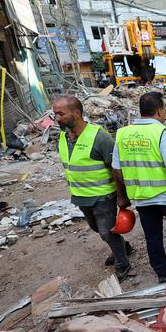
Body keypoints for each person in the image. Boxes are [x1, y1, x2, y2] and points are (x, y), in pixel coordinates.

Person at [113, 92, 166, 283]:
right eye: (164, 108)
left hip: (141, 197)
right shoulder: (162, 133)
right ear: (159, 110)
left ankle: (163, 272)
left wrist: (122, 195)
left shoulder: (122, 134)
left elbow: (116, 170)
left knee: (153, 237)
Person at [53, 96, 134, 281]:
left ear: (77, 113)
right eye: (55, 113)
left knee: (107, 232)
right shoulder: (63, 137)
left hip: (103, 196)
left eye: (61, 113)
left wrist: (122, 197)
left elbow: (116, 168)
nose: (57, 118)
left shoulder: (99, 137)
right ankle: (123, 247)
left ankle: (123, 264)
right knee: (97, 228)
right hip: (81, 196)